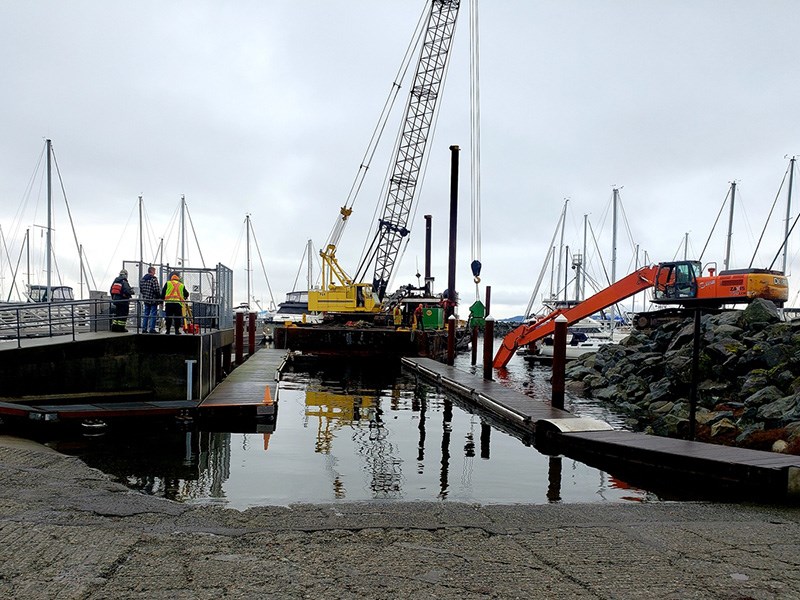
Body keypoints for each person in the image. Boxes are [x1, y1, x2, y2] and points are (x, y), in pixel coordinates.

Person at [139, 266, 161, 333]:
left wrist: (145, 295)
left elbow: (141, 290)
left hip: (146, 299)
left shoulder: (142, 279)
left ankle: (144, 329)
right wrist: (159, 297)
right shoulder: (153, 279)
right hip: (153, 299)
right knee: (153, 314)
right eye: (154, 271)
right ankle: (152, 329)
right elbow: (156, 289)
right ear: (151, 271)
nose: (155, 273)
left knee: (146, 314)